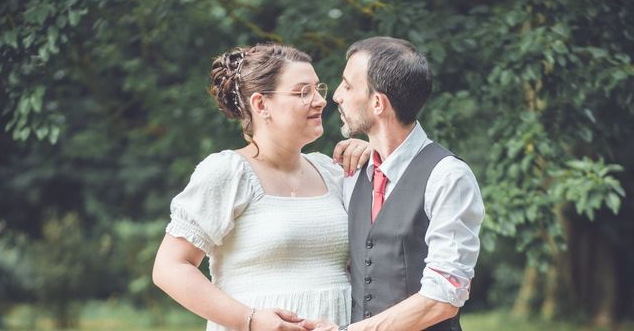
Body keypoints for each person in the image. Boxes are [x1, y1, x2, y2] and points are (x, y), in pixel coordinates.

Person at [152, 43, 370, 331]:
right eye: (303, 92)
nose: (319, 101)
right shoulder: (228, 173)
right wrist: (251, 320)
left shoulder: (332, 171)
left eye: (318, 89)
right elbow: (169, 268)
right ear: (260, 104)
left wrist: (375, 155)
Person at [320, 37, 485, 331]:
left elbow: (443, 298)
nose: (336, 96)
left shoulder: (448, 177)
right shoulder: (352, 172)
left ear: (378, 103)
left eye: (347, 86)